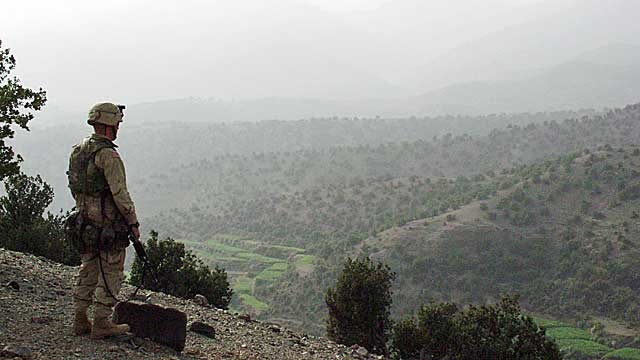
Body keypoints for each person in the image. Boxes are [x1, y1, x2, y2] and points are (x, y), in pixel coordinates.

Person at [68, 102, 141, 339]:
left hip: (84, 223)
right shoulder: (108, 155)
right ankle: (101, 322)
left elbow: (75, 186)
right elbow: (120, 194)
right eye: (117, 123)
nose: (119, 127)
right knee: (111, 271)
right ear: (110, 125)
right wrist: (132, 222)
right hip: (107, 225)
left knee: (88, 267)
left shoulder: (79, 150)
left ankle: (80, 318)